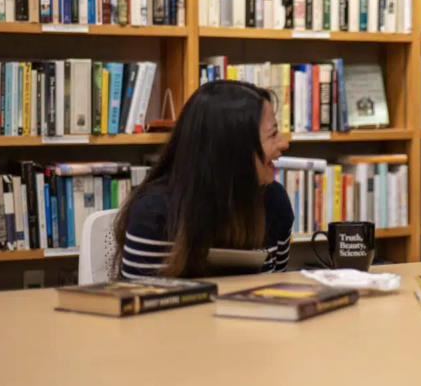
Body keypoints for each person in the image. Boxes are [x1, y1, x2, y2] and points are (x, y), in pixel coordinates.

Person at [113, 80, 293, 280]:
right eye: (273, 134)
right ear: (231, 149)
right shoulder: (155, 214)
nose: (284, 143)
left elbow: (276, 292)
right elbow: (140, 303)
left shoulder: (275, 201)